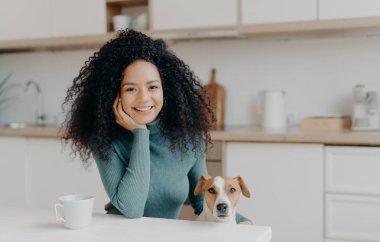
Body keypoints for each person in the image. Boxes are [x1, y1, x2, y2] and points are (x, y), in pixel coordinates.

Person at [62, 29, 252, 224]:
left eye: (153, 87)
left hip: (164, 240)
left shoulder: (189, 139)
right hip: (118, 237)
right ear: (113, 94)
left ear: (166, 89)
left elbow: (203, 202)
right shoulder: (106, 139)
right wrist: (140, 134)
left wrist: (243, 222)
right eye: (130, 88)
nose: (144, 98)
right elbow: (132, 209)